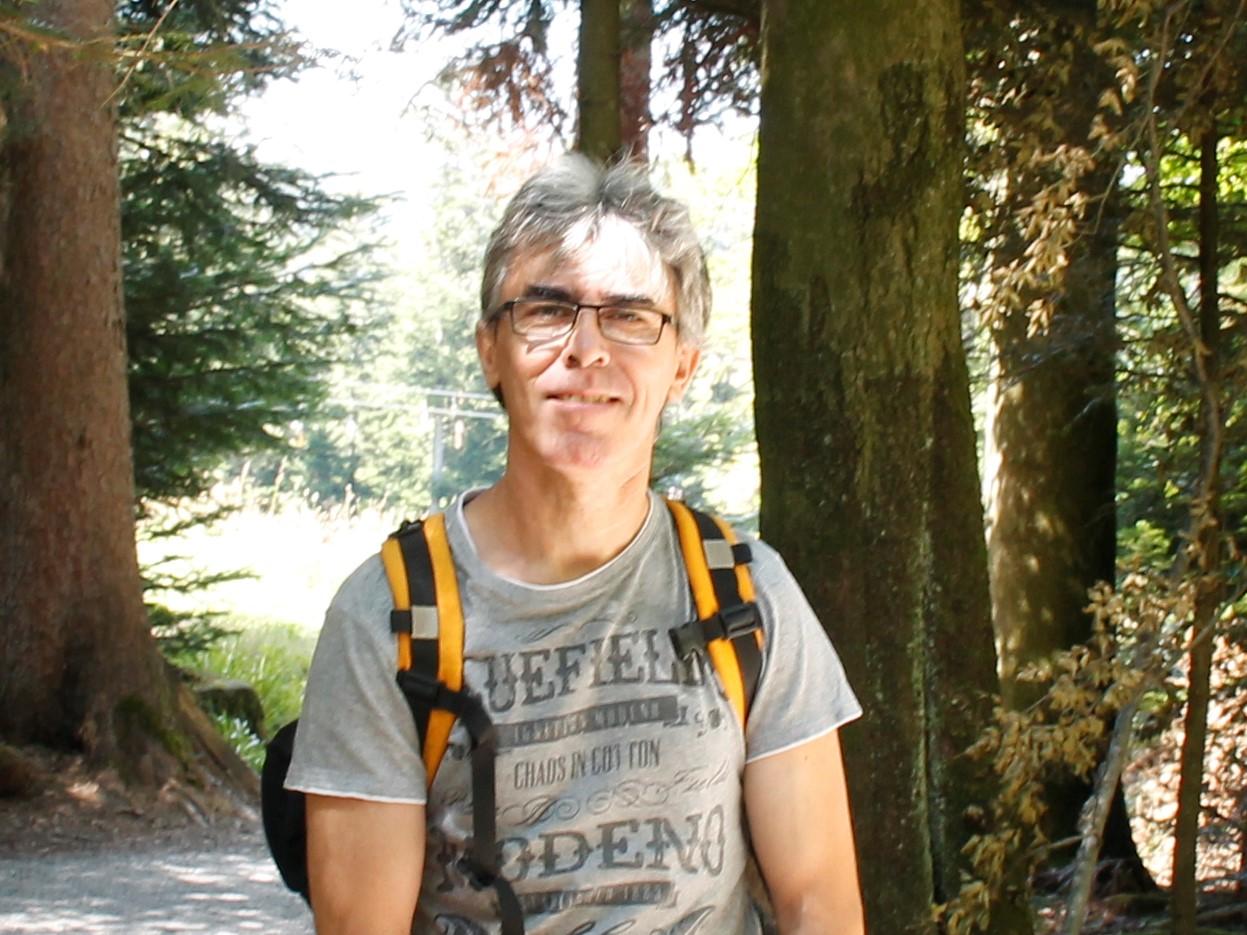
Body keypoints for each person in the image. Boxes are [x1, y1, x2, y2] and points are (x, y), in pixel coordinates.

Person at [285, 156, 865, 935]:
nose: (586, 348)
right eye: (547, 309)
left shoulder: (747, 596)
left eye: (630, 316)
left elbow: (817, 904)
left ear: (682, 365)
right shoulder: (385, 618)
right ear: (490, 349)